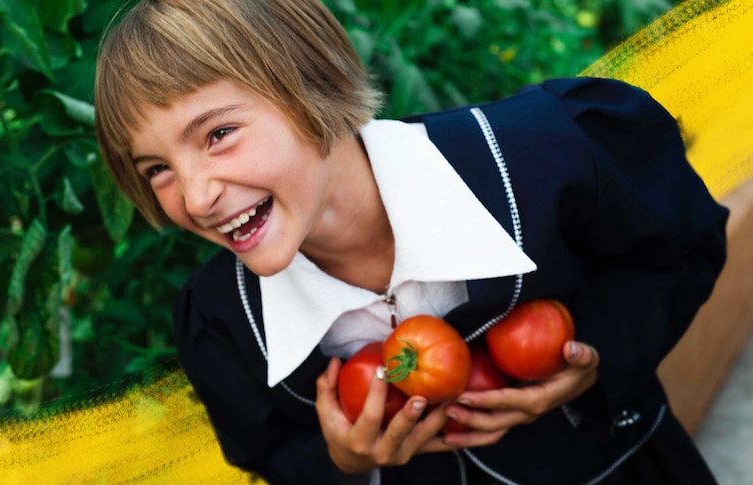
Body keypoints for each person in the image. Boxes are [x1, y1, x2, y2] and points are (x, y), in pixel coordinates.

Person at [93, 0, 728, 483]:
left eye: (218, 134)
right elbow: (268, 452)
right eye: (157, 170)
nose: (197, 195)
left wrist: (598, 357)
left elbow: (678, 247)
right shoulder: (225, 322)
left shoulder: (547, 157)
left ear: (312, 86)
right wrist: (338, 456)